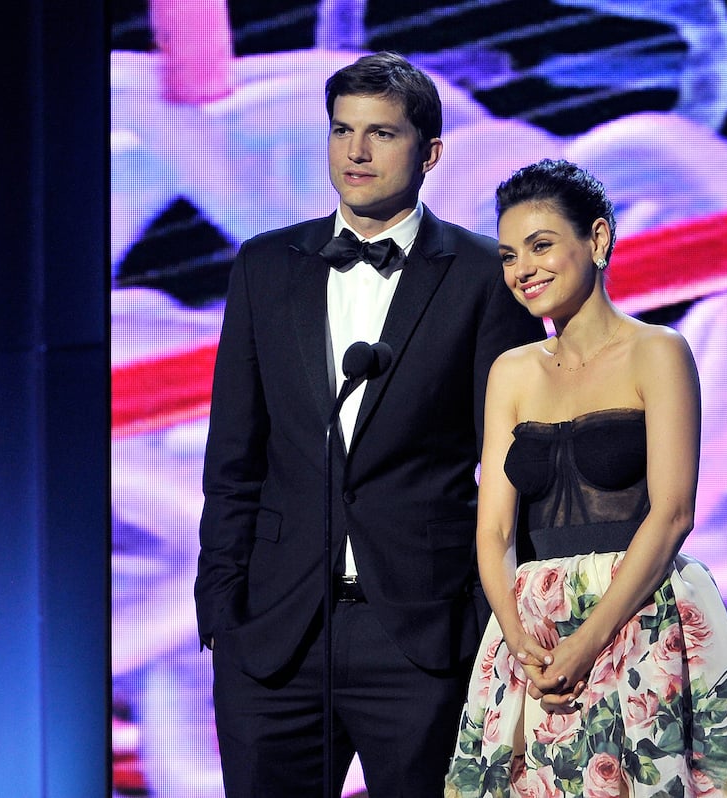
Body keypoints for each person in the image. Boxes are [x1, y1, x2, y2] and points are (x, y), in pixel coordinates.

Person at [194, 51, 545, 797]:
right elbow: (233, 457)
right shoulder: (264, 266)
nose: (355, 152)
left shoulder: (486, 277)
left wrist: (490, 619)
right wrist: (223, 612)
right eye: (341, 130)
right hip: (275, 639)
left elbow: (520, 466)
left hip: (421, 636)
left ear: (430, 153)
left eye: (381, 134)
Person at [444, 160, 727, 797]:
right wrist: (521, 645)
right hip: (530, 630)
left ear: (597, 240)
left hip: (639, 613)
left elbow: (673, 511)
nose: (524, 270)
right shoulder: (511, 373)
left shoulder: (657, 351)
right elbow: (492, 531)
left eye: (542, 246)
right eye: (511, 255)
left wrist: (588, 641)